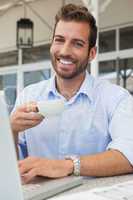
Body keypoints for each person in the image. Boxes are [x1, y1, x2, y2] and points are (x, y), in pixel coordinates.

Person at [10, 4, 133, 183]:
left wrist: (67, 165)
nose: (65, 51)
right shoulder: (28, 96)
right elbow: (12, 167)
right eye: (59, 40)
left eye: (77, 43)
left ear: (92, 53)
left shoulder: (115, 98)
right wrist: (10, 130)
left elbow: (128, 155)